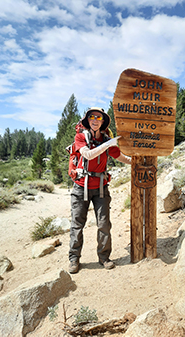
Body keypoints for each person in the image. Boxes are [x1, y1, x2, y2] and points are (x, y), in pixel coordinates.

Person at [69, 107, 131, 274]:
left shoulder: (106, 140)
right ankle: (74, 259)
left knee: (104, 225)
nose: (95, 120)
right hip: (81, 187)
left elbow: (122, 158)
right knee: (77, 225)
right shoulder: (81, 136)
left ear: (103, 121)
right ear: (88, 120)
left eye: (99, 117)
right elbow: (87, 155)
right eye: (92, 117)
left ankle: (104, 258)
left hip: (101, 188)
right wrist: (107, 145)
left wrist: (139, 162)